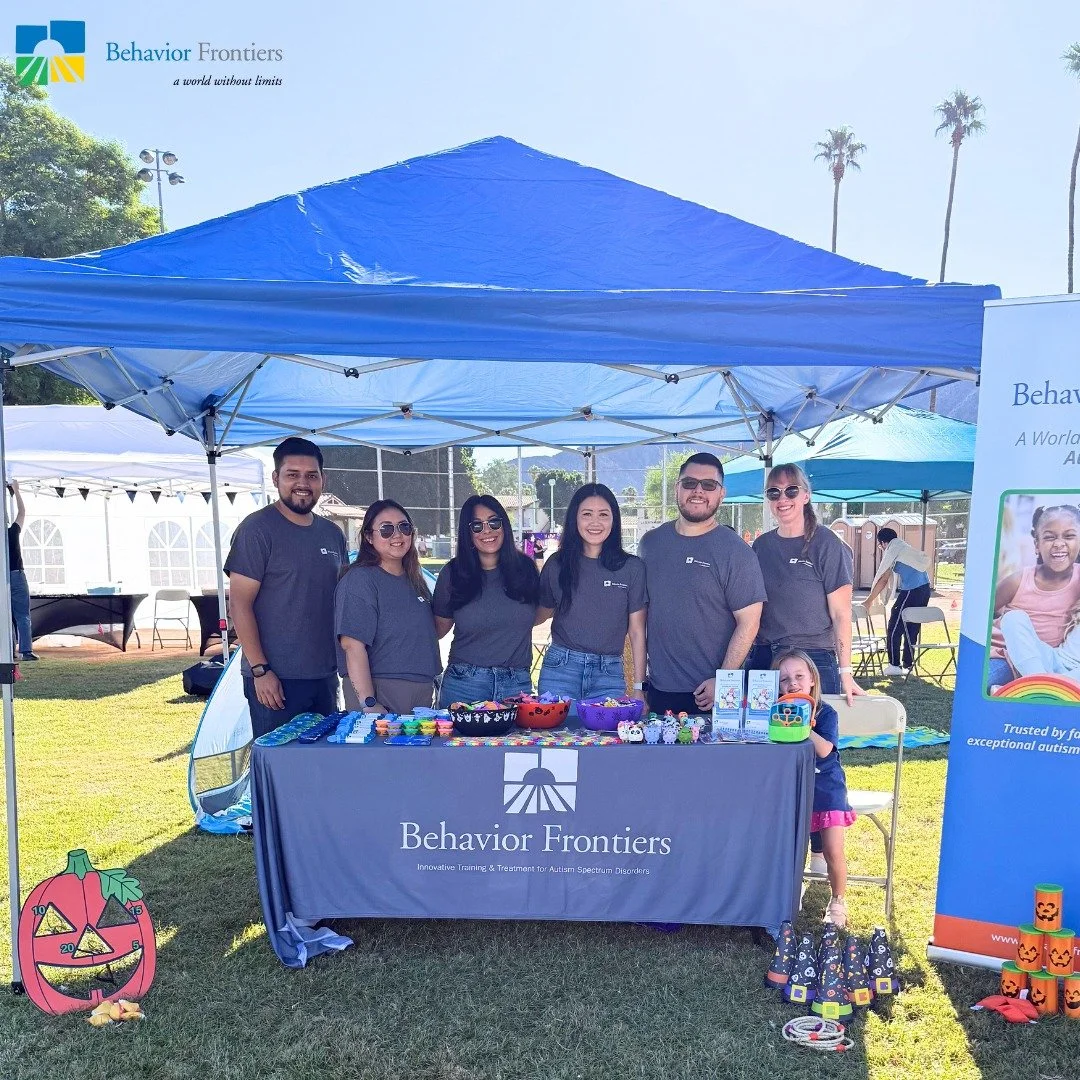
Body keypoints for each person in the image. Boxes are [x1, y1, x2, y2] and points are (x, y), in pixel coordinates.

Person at [225, 437, 347, 738]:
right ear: (276, 478)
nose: (302, 483)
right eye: (292, 474)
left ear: (322, 479)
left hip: (324, 676)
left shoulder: (332, 534)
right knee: (282, 771)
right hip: (276, 680)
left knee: (322, 771)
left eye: (311, 475)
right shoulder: (256, 530)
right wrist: (260, 670)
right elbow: (239, 605)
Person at [638, 453, 765, 716]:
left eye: (709, 485)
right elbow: (639, 618)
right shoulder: (650, 544)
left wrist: (724, 679)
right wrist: (640, 685)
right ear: (677, 488)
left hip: (710, 696)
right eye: (689, 483)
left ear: (721, 494)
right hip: (659, 692)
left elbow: (750, 622)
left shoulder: (737, 553)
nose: (698, 491)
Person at [750, 464, 862, 703]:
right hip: (766, 658)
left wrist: (846, 673)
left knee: (816, 736)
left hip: (814, 659)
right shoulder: (761, 546)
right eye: (774, 492)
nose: (782, 498)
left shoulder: (826, 543)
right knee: (761, 737)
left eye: (791, 491)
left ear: (805, 496)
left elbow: (841, 614)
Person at [535, 483, 647, 707]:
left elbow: (636, 632)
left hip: (609, 674)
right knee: (555, 740)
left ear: (614, 520)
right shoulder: (557, 565)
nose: (595, 522)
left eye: (603, 515)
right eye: (587, 514)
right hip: (560, 669)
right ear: (574, 519)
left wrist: (638, 689)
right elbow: (539, 614)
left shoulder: (632, 568)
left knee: (609, 739)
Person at [433, 495, 540, 706]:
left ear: (504, 525)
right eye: (477, 525)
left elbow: (542, 613)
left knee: (518, 741)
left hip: (516, 686)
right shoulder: (452, 573)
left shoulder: (526, 569)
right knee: (457, 741)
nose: (487, 530)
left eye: (494, 522)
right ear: (467, 532)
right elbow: (438, 629)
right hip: (465, 684)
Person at [774, 648, 854, 928]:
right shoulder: (774, 712)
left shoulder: (825, 712)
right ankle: (786, 896)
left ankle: (838, 901)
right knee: (790, 849)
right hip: (792, 790)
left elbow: (824, 750)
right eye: (784, 679)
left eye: (798, 676)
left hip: (826, 789)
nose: (792, 683)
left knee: (833, 851)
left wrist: (800, 723)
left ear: (812, 680)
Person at [336, 499, 440, 714]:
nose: (397, 535)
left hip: (421, 694)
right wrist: (369, 703)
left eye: (404, 527)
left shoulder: (415, 580)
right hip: (381, 694)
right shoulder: (360, 579)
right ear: (368, 537)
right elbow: (352, 646)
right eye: (386, 529)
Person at [988, 504, 1080, 686]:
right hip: (1006, 655)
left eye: (1069, 536)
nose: (1059, 543)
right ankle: (1041, 685)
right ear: (1036, 544)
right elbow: (984, 612)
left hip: (1049, 659)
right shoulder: (1017, 580)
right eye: (1049, 537)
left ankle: (1042, 684)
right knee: (1013, 619)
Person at [865, 526, 933, 676]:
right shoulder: (904, 547)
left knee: (895, 626)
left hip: (912, 589)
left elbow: (883, 579)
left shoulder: (893, 550)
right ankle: (908, 664)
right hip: (924, 589)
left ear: (883, 543)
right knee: (912, 626)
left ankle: (894, 665)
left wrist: (869, 601)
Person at [7, 480, 35, 661]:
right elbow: (22, 512)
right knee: (22, 615)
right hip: (16, 575)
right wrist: (17, 491)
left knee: (5, 617)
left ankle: (9, 651)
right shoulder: (12, 532)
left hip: (2, 578)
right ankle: (26, 652)